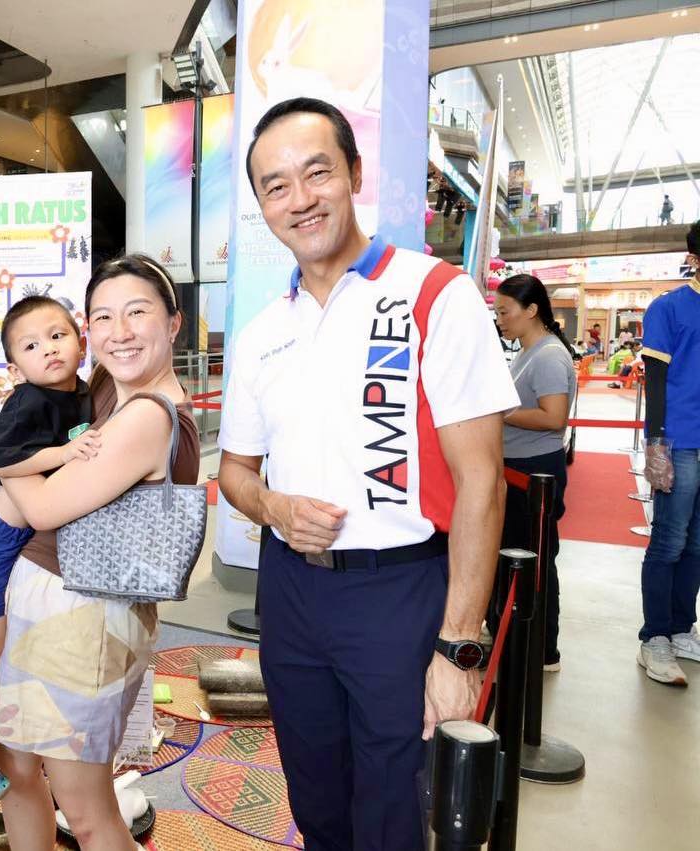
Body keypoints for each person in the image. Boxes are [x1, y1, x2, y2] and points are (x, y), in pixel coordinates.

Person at [216, 98, 518, 850]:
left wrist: (458, 647)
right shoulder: (261, 334)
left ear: (354, 173)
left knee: (391, 808)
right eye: (275, 186)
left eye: (316, 172)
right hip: (290, 591)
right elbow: (234, 473)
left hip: (399, 592)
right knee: (315, 798)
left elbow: (481, 483)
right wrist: (274, 506)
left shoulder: (433, 295)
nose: (300, 198)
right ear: (262, 206)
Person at [0, 254, 199, 851]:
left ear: (174, 322)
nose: (120, 331)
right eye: (103, 317)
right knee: (22, 769)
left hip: (81, 620)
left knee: (86, 812)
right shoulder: (111, 393)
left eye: (138, 312)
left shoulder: (144, 417)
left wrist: (7, 465)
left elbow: (44, 510)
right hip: (67, 614)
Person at [0, 295, 97, 801]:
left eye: (58, 336)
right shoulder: (30, 400)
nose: (49, 350)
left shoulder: (83, 391)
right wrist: (65, 451)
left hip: (23, 538)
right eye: (32, 345)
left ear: (80, 336)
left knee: (7, 646)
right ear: (16, 366)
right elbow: (0, 461)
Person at [494, 274, 577, 672]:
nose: (500, 319)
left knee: (537, 557)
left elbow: (554, 417)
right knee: (518, 553)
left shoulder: (547, 356)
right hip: (516, 468)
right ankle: (519, 636)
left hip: (534, 472)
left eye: (505, 312)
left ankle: (544, 648)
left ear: (531, 310)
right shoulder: (527, 351)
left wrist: (501, 414)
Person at [637, 219, 700, 686]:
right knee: (669, 541)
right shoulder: (669, 308)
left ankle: (681, 627)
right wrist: (656, 443)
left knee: (697, 545)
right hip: (679, 440)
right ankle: (654, 637)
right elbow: (655, 381)